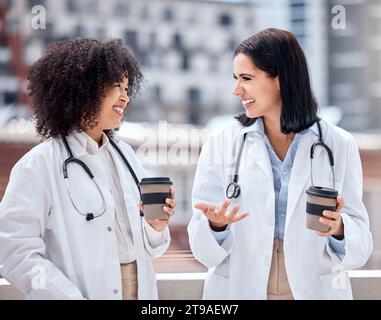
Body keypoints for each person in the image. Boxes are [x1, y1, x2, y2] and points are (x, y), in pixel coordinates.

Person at [188, 28, 373, 300]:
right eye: (235, 78)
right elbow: (202, 248)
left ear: (280, 78)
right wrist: (216, 226)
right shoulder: (222, 143)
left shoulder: (338, 144)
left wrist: (339, 229)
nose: (236, 89)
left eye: (246, 78)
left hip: (312, 289)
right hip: (241, 285)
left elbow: (361, 244)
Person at [0, 38, 176, 300]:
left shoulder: (125, 155)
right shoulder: (38, 164)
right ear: (82, 88)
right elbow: (14, 252)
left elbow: (150, 247)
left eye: (127, 88)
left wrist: (155, 227)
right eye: (116, 85)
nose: (125, 97)